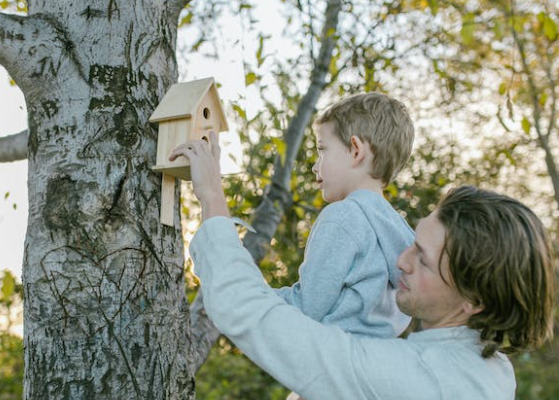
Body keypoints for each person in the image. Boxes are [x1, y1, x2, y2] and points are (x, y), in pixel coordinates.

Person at [170, 132, 556, 400]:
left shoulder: (423, 380)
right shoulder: (488, 367)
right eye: (413, 243)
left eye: (422, 260)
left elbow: (255, 317)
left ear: (474, 300)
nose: (401, 260)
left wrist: (212, 198)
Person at [271, 93, 415, 339]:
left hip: (334, 360)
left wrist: (252, 294)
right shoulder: (396, 226)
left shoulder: (343, 216)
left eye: (322, 150)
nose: (315, 166)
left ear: (356, 150)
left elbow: (308, 307)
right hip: (379, 357)